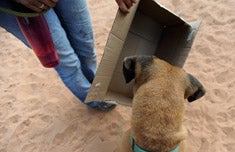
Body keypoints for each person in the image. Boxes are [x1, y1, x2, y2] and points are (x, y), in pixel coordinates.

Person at [0, 0, 136, 111]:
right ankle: (93, 99)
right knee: (66, 61)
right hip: (16, 7)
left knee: (85, 42)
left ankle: (95, 83)